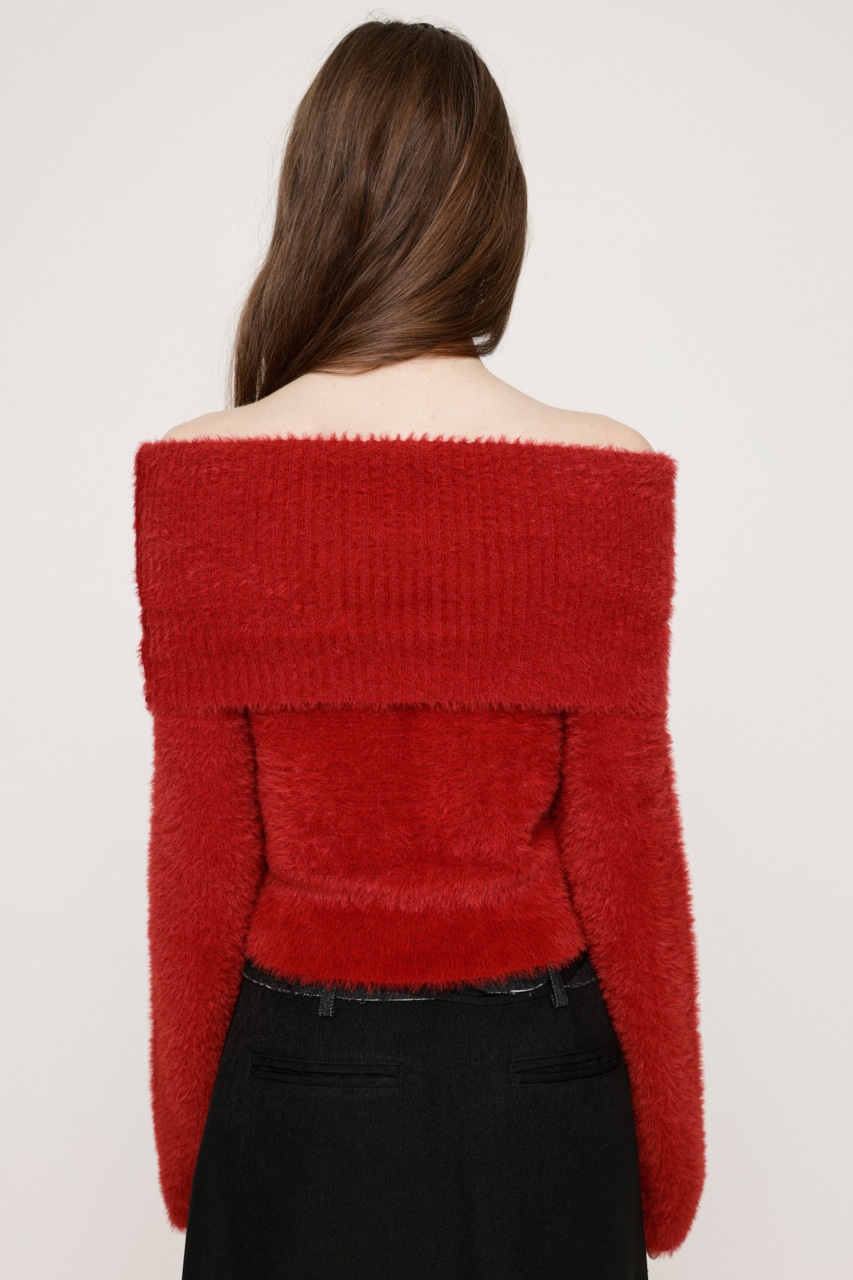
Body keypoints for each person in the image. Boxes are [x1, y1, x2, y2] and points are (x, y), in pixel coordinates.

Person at [132, 18, 706, 1279]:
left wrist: (199, 1153)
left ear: (314, 203)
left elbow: (200, 857)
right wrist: (664, 1166)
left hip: (299, 1083)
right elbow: (628, 848)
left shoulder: (205, 474)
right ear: (495, 217)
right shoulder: (601, 470)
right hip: (540, 1088)